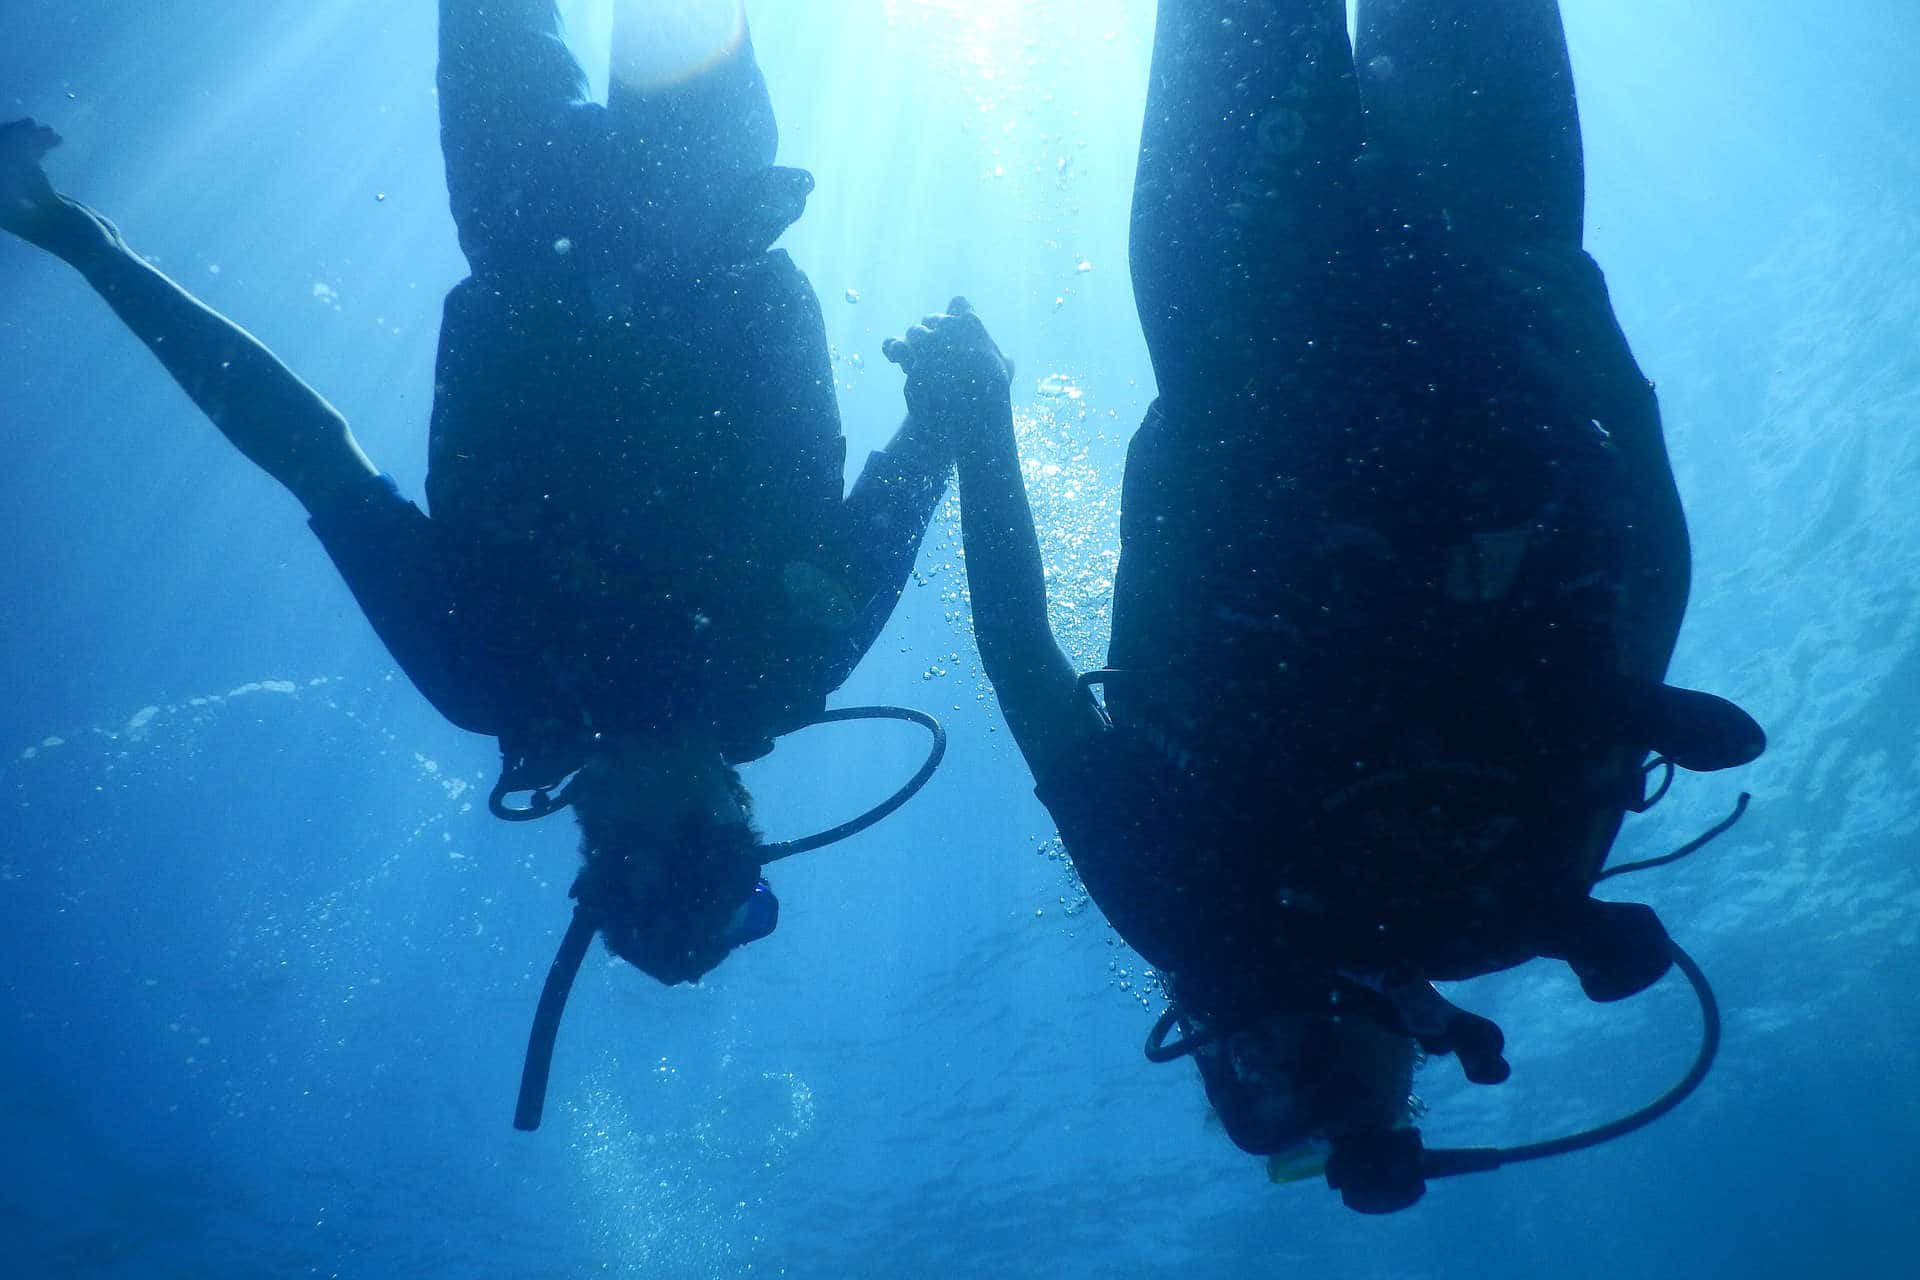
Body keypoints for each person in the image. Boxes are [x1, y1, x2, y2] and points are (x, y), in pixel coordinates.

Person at [890, 0, 1763, 1212]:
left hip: (1293, 330)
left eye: (1272, 1089)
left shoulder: (1204, 908)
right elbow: (1642, 611)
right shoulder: (1508, 900)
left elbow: (1024, 661)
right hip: (1430, 313)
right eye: (1382, 1102)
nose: (1317, 1069)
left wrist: (982, 415)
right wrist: (1620, 379)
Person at [0, 0, 954, 992]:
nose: (614, 814)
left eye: (625, 843)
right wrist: (962, 386)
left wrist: (87, 248)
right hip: (673, 201)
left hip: (542, 219)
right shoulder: (782, 655)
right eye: (693, 834)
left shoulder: (497, 671)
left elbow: (307, 453)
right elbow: (933, 436)